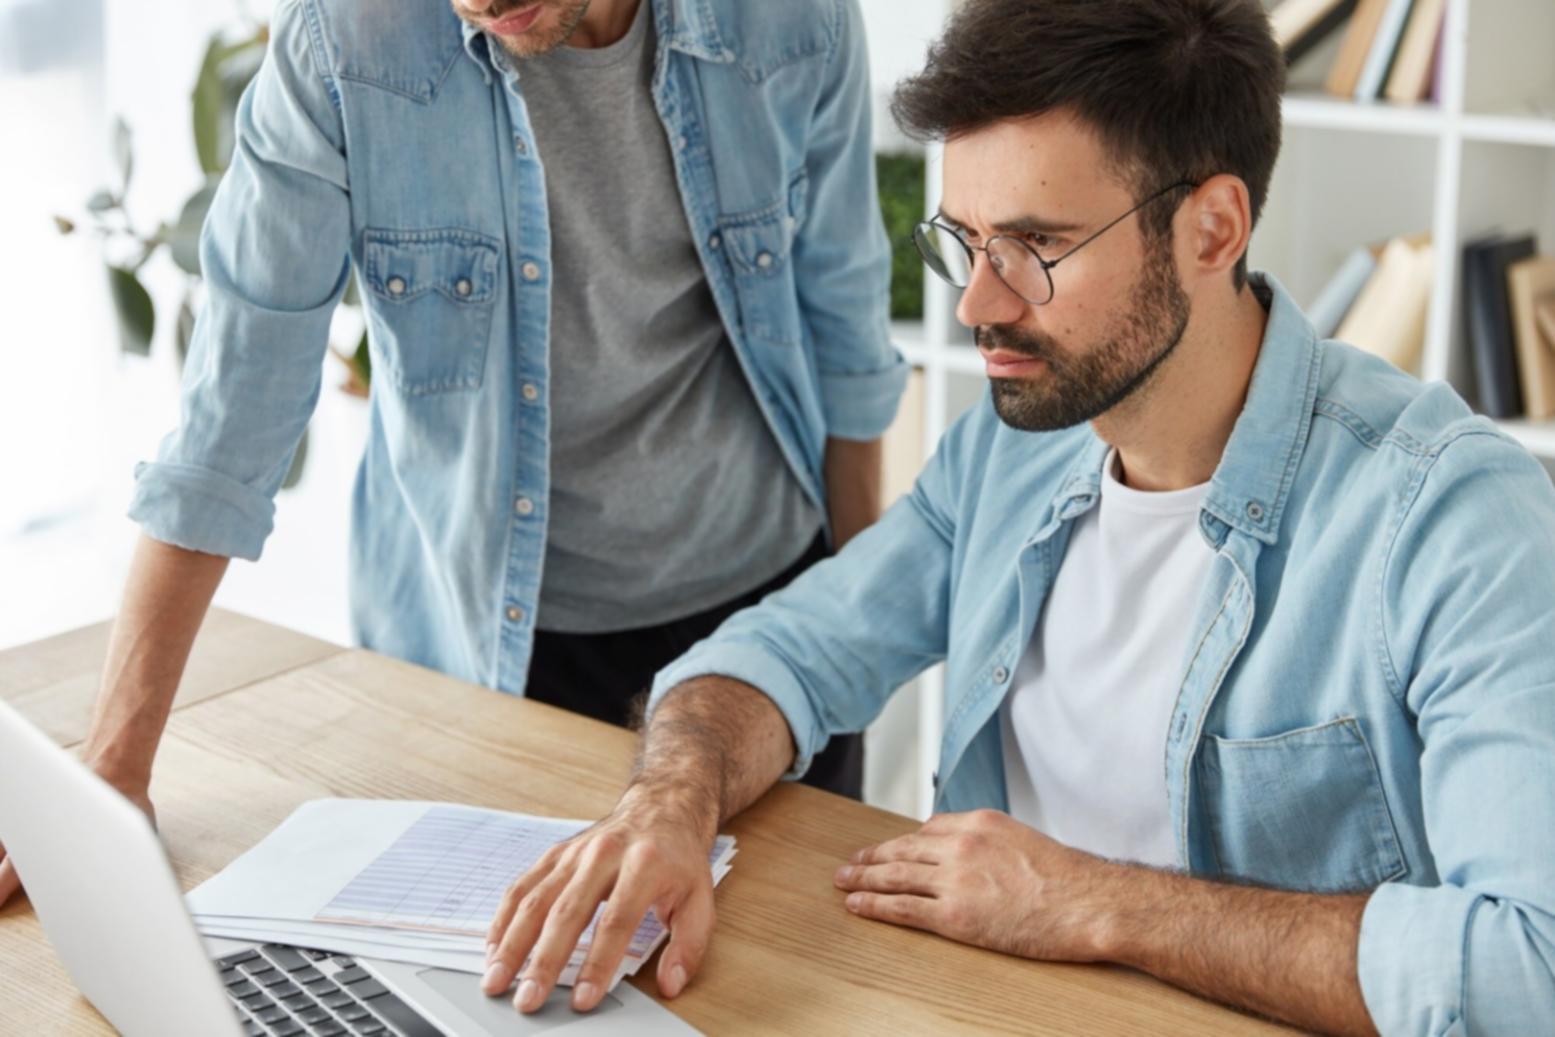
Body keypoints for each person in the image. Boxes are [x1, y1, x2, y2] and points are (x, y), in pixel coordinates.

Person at [477, 1, 1555, 1032]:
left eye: (1035, 248)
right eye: (966, 240)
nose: (977, 304)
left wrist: (1092, 903)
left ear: (1211, 228)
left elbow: (1531, 966)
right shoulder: (1014, 444)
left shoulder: (1456, 523)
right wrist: (669, 801)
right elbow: (789, 649)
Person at [0, 0, 905, 907]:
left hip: (760, 627)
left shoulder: (791, 19)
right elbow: (232, 415)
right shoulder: (342, 44)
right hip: (493, 654)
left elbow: (847, 333)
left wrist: (847, 617)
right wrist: (113, 767)